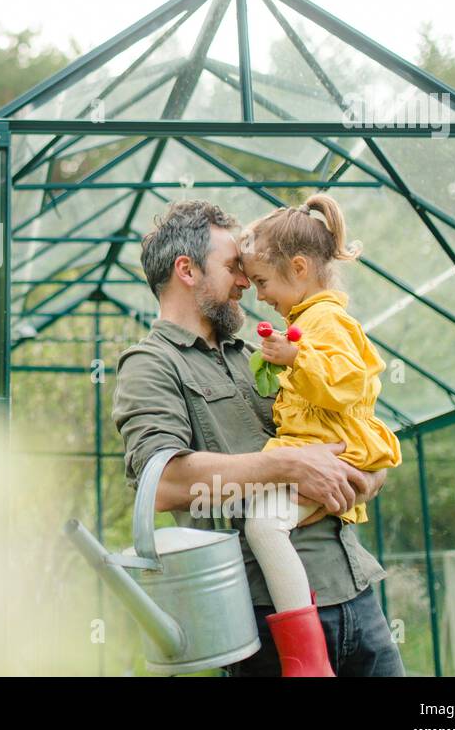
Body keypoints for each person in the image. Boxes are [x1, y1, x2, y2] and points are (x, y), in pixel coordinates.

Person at [111, 200, 404, 677]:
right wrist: (289, 466)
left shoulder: (265, 353)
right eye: (233, 269)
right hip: (264, 620)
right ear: (186, 270)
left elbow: (351, 428)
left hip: (355, 593)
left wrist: (369, 475)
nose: (247, 282)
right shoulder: (151, 365)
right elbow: (159, 485)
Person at [237, 194, 403, 676]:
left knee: (263, 526)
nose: (259, 293)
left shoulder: (326, 321)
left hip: (336, 447)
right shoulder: (307, 320)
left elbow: (354, 384)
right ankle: (306, 633)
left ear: (301, 267)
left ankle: (306, 659)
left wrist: (297, 360)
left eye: (264, 281)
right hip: (320, 448)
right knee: (266, 521)